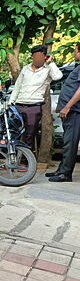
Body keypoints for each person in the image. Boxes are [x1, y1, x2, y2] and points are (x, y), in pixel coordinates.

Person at [9, 45, 63, 149]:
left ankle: (25, 162)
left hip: (34, 107)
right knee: (13, 133)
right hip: (19, 105)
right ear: (32, 57)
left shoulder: (48, 69)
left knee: (29, 135)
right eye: (35, 56)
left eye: (40, 56)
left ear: (44, 56)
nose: (38, 58)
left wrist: (50, 63)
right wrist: (11, 102)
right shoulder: (25, 69)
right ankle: (12, 160)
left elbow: (58, 76)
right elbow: (17, 86)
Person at [46, 43, 80, 182]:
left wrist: (67, 107)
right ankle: (61, 170)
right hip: (70, 112)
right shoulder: (77, 67)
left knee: (70, 143)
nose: (74, 53)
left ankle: (65, 174)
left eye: (75, 51)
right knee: (67, 142)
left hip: (74, 112)